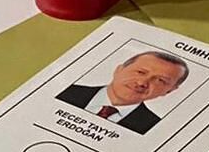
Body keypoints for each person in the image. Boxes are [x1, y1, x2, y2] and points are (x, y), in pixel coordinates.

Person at [56, 51, 190, 134]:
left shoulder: (154, 128)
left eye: (160, 80)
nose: (142, 82)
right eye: (140, 72)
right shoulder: (64, 91)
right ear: (119, 70)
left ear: (169, 90)